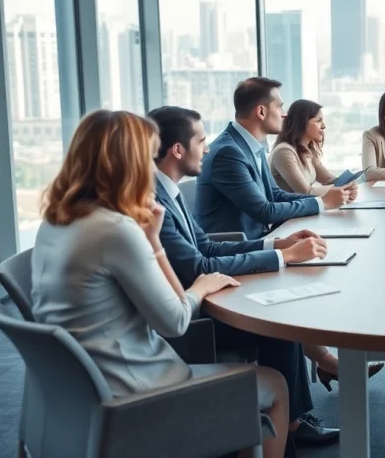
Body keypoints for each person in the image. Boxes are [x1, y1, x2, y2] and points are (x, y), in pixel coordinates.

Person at [30, 110, 289, 458]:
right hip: (135, 391)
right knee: (275, 385)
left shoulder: (55, 220)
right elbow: (176, 321)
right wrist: (187, 275)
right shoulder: (116, 230)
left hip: (75, 393)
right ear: (132, 161)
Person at [149, 105, 382, 433]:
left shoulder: (167, 191)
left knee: (286, 312)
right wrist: (283, 258)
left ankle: (293, 421)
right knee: (280, 325)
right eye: (201, 140)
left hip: (201, 295)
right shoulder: (154, 201)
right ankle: (292, 426)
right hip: (190, 320)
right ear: (177, 149)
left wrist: (277, 246)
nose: (208, 148)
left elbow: (208, 246)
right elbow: (198, 266)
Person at [196, 77, 350, 240]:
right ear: (261, 112)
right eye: (280, 107)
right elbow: (264, 212)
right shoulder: (228, 153)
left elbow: (275, 194)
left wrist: (325, 198)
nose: (284, 114)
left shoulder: (253, 146)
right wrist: (322, 202)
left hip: (263, 239)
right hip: (237, 250)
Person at [270, 99, 360, 203]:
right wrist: (341, 189)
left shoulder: (308, 150)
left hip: (303, 212)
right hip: (288, 217)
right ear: (301, 123)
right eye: (318, 121)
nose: (324, 126)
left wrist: (348, 187)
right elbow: (305, 192)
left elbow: (329, 180)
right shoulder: (284, 152)